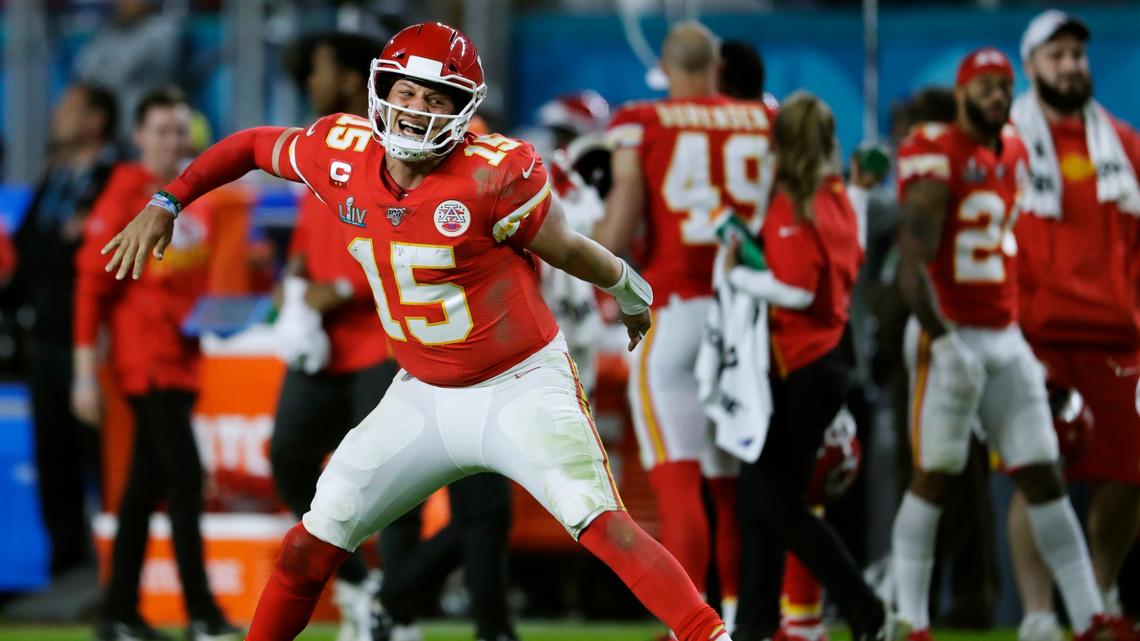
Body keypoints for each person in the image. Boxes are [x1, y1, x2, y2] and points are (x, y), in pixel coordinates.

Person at [101, 22, 734, 641]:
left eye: (436, 99)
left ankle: (710, 635)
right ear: (382, 90)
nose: (415, 111)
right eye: (405, 93)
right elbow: (246, 147)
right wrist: (168, 201)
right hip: (422, 391)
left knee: (600, 524)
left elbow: (568, 249)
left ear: (464, 110)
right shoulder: (341, 154)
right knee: (309, 545)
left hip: (520, 385)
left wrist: (629, 287)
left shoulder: (494, 173)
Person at [889, 48, 1130, 641]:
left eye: (1005, 87)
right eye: (987, 87)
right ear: (964, 92)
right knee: (934, 474)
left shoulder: (1017, 151)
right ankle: (909, 619)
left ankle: (1091, 614)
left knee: (1043, 473)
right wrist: (944, 344)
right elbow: (910, 271)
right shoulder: (936, 153)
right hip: (950, 333)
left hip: (1004, 334)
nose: (998, 97)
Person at [595, 22, 774, 628]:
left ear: (668, 71)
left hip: (676, 313)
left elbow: (619, 227)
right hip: (748, 321)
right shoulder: (763, 121)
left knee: (677, 480)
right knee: (728, 486)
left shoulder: (643, 122)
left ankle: (691, 627)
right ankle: (737, 620)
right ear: (718, 68)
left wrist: (589, 267)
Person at [74, 87, 240, 641]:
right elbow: (91, 288)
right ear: (140, 136)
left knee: (143, 492)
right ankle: (203, 613)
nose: (174, 141)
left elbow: (189, 282)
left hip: (182, 359)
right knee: (186, 480)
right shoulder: (125, 193)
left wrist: (223, 313)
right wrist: (81, 374)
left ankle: (118, 612)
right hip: (146, 364)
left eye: (180, 131)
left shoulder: (192, 199)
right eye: (163, 130)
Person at [717, 91, 883, 641]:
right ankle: (758, 625)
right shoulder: (836, 195)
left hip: (803, 364)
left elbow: (796, 288)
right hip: (826, 359)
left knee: (774, 503)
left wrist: (737, 272)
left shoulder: (797, 199)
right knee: (759, 501)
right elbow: (851, 260)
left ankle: (863, 604)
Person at [1008, 11, 1140, 641]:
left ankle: (1105, 590)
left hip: (1118, 333)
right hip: (1036, 336)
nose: (1070, 66)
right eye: (1056, 55)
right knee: (1034, 472)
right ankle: (1038, 612)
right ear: (1030, 65)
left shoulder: (1124, 144)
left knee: (1129, 474)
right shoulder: (1007, 142)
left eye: (1077, 56)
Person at [274, 30, 399, 641]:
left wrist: (346, 289)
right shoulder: (321, 142)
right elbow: (309, 232)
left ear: (352, 78)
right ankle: (358, 583)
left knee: (386, 481)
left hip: (379, 342)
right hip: (322, 346)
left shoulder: (390, 145)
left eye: (319, 69)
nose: (310, 82)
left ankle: (395, 610)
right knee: (287, 455)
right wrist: (296, 278)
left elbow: (404, 234)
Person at [7, 83, 119, 581]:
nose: (57, 115)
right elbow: (28, 248)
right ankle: (64, 569)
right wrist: (60, 244)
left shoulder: (112, 180)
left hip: (92, 344)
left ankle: (108, 570)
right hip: (44, 339)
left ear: (96, 121)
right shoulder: (53, 177)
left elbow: (91, 258)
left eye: (70, 108)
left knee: (98, 457)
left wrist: (59, 248)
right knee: (52, 460)